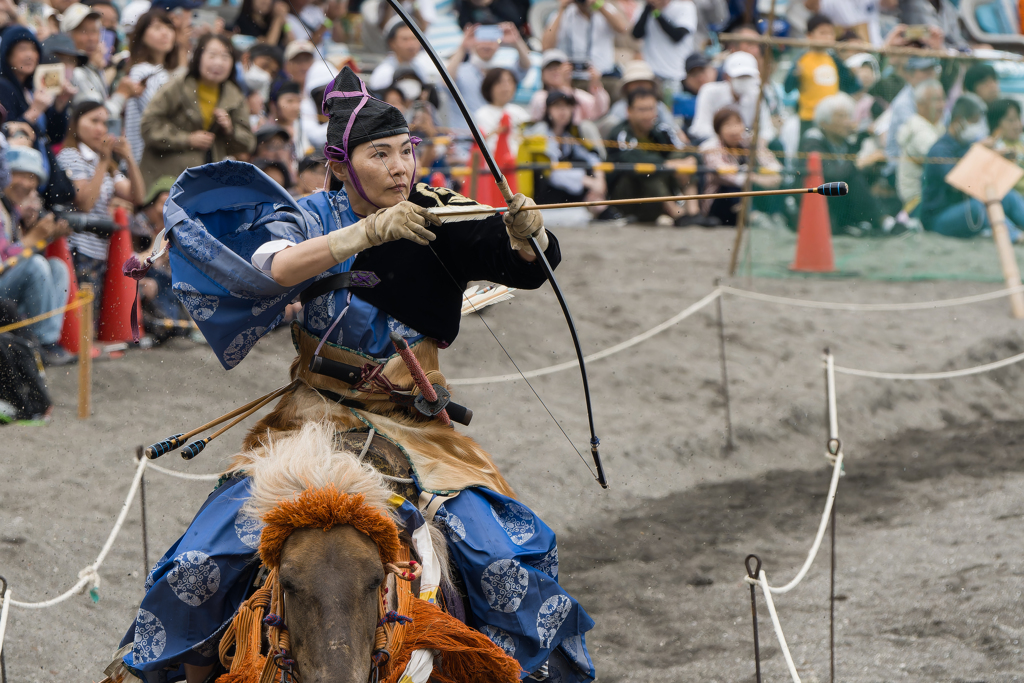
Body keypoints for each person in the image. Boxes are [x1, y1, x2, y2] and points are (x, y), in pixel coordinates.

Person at [117, 65, 596, 683]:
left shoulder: (436, 210)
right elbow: (274, 267)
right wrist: (364, 233)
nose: (401, 169)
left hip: (415, 425)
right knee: (205, 558)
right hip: (313, 417)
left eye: (407, 152)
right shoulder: (308, 214)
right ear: (340, 164)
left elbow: (517, 262)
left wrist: (532, 239)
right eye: (381, 155)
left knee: (505, 563)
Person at [58, 100, 146, 306]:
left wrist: (129, 158)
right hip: (79, 248)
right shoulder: (71, 155)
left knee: (95, 319)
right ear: (77, 123)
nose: (100, 129)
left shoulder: (104, 162)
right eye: (94, 121)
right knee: (82, 316)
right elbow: (85, 203)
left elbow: (138, 197)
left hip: (102, 250)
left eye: (105, 123)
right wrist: (104, 161)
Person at [140, 33, 255, 189]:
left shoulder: (235, 96)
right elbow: (148, 126)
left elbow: (248, 143)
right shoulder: (178, 85)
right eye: (212, 55)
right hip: (166, 180)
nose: (218, 63)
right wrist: (187, 139)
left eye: (225, 57)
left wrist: (229, 129)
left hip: (207, 184)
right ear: (198, 57)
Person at [0, 146, 72, 365]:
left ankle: (47, 341)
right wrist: (31, 239)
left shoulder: (12, 210)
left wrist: (46, 236)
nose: (27, 183)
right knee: (36, 265)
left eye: (33, 178)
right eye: (20, 174)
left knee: (57, 267)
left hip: (9, 293)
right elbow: (6, 262)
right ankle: (44, 343)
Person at [921, 96, 1024, 240]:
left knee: (1008, 196)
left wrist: (997, 156)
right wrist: (979, 153)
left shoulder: (968, 144)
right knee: (980, 205)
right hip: (939, 217)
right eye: (974, 122)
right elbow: (959, 184)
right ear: (959, 121)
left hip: (965, 209)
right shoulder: (940, 150)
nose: (977, 127)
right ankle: (1016, 236)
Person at [607, 88, 697, 224]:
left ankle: (694, 212)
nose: (648, 114)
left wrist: (689, 160)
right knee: (647, 170)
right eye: (642, 109)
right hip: (628, 196)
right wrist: (668, 165)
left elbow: (684, 149)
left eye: (651, 109)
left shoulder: (661, 130)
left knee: (685, 158)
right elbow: (630, 159)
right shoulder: (620, 133)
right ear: (629, 111)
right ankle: (677, 214)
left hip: (659, 193)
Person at [524, 91, 617, 220]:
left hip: (568, 187)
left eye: (567, 106)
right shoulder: (540, 132)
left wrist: (599, 179)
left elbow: (590, 157)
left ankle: (599, 207)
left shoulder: (569, 134)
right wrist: (589, 182)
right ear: (548, 110)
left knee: (587, 167)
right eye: (557, 106)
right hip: (543, 192)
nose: (563, 111)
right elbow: (550, 173)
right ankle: (598, 208)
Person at [798, 92, 881, 234]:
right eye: (841, 117)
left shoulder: (842, 141)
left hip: (838, 200)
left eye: (849, 116)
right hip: (817, 200)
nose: (848, 122)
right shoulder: (812, 141)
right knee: (854, 176)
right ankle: (881, 220)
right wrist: (858, 164)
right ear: (824, 122)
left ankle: (872, 220)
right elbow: (831, 173)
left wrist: (863, 137)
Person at [699, 106, 782, 225]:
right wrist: (755, 178)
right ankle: (754, 217)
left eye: (737, 123)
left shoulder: (749, 143)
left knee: (770, 187)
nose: (734, 130)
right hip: (721, 199)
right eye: (728, 125)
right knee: (734, 189)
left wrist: (773, 176)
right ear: (719, 130)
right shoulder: (711, 148)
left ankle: (774, 216)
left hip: (750, 188)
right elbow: (728, 176)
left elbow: (772, 164)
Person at [131, 175, 189, 343]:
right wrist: (156, 248)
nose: (166, 210)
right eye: (162, 203)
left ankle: (175, 326)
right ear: (151, 202)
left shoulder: (173, 230)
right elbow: (129, 263)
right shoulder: (136, 224)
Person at [784, 14, 861, 134]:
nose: (827, 37)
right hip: (808, 117)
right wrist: (794, 76)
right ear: (809, 36)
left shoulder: (835, 60)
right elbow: (787, 88)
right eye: (822, 33)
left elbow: (852, 86)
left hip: (832, 120)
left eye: (830, 33)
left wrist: (852, 73)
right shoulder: (801, 60)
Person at [64, 3, 141, 120]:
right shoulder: (73, 72)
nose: (91, 38)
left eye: (95, 31)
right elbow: (98, 117)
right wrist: (122, 93)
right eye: (83, 31)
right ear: (67, 35)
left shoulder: (92, 67)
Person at [0, 25, 74, 146]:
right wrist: (35, 110)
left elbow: (55, 136)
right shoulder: (3, 87)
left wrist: (60, 103)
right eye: (22, 49)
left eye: (34, 49)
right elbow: (6, 136)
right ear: (7, 53)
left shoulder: (31, 89)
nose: (30, 55)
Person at [124, 9, 180, 164]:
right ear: (141, 35)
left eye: (169, 28)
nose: (165, 33)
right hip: (145, 160)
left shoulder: (167, 72)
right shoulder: (140, 71)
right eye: (157, 28)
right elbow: (159, 113)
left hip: (164, 156)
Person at [446, 22, 531, 117]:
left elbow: (526, 66)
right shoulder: (460, 71)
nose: (486, 44)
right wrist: (463, 47)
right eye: (481, 38)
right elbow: (445, 82)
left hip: (496, 129)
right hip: (466, 130)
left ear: (499, 43)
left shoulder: (503, 72)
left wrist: (516, 41)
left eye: (491, 39)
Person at [689, 50, 775, 143]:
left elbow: (767, 130)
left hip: (743, 147)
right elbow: (701, 128)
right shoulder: (709, 92)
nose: (744, 81)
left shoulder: (756, 95)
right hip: (713, 145)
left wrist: (756, 141)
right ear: (726, 76)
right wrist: (727, 138)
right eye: (739, 77)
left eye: (748, 77)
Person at [541, 0, 631, 85]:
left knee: (618, 89)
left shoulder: (605, 7)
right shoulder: (564, 13)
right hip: (572, 79)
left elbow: (623, 28)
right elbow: (546, 46)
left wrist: (598, 5)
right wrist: (561, 9)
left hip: (603, 76)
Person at [601, 60, 686, 143]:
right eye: (635, 83)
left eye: (644, 82)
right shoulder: (619, 108)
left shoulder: (659, 106)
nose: (640, 86)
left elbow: (673, 131)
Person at [895, 79, 944, 214]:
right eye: (936, 100)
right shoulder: (919, 130)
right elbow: (943, 161)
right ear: (920, 105)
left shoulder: (936, 125)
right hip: (917, 204)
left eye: (942, 99)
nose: (941, 105)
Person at [883, 56, 939, 168]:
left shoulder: (935, 95)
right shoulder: (903, 103)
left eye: (932, 69)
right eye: (924, 71)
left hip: (924, 157)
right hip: (899, 167)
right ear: (910, 75)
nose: (930, 74)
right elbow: (919, 138)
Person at [631, 0, 698, 93]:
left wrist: (657, 13)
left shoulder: (685, 7)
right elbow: (636, 34)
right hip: (651, 74)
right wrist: (648, 9)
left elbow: (677, 36)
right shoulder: (644, 8)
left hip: (676, 74)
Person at [528, 49, 610, 124]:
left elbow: (600, 110)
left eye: (559, 67)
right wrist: (562, 85)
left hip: (574, 137)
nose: (555, 71)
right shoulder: (540, 96)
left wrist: (595, 83)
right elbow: (545, 113)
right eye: (550, 68)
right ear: (542, 74)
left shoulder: (577, 94)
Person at [368, 20, 438, 91]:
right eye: (405, 39)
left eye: (414, 38)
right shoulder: (384, 72)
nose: (411, 45)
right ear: (392, 43)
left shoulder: (420, 66)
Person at [475, 68, 530, 159]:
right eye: (499, 82)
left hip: (522, 165)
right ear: (489, 86)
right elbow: (489, 145)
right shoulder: (482, 114)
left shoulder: (519, 111)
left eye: (509, 81)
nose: (506, 87)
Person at [989, 99, 1024, 195]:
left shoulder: (1020, 141)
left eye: (1018, 119)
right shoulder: (998, 148)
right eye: (1011, 120)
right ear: (997, 123)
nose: (1017, 125)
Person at [674, 52, 716, 132]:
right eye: (694, 74)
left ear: (713, 71)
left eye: (702, 71)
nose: (700, 78)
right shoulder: (681, 98)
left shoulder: (725, 88)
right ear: (687, 79)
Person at [269, 81, 309, 159]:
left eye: (299, 101)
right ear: (273, 104)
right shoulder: (264, 129)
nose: (296, 107)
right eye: (289, 101)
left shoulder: (300, 126)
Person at [961, 62, 999, 132]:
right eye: (985, 82)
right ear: (972, 88)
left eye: (994, 80)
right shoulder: (966, 115)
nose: (992, 86)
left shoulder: (1002, 110)